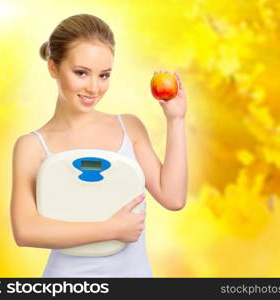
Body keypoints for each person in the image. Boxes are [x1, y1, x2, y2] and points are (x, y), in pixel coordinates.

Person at [10, 13, 188, 278]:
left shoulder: (130, 128)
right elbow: (25, 231)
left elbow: (173, 198)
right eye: (81, 73)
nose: (94, 88)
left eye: (104, 75)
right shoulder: (32, 147)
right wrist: (112, 229)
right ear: (53, 68)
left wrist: (176, 120)